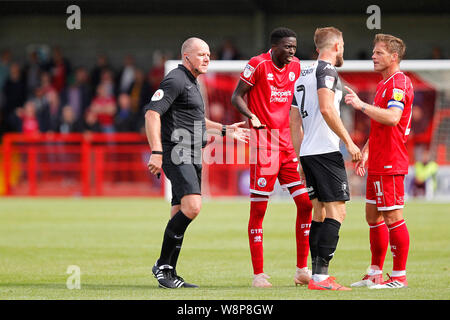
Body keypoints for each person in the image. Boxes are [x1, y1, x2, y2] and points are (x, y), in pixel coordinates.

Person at [145, 37, 249, 289]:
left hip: (192, 154)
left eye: (209, 54)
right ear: (186, 57)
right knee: (193, 207)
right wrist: (157, 151)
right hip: (176, 152)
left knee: (179, 212)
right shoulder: (176, 79)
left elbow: (196, 120)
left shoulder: (191, 83)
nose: (207, 58)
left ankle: (168, 272)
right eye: (201, 54)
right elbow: (151, 113)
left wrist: (225, 130)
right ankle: (162, 266)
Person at [231, 27, 313, 288]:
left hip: (287, 146)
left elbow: (296, 103)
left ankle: (302, 269)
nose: (292, 51)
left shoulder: (297, 66)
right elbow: (236, 96)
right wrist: (250, 115)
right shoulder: (257, 64)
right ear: (275, 46)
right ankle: (258, 275)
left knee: (306, 204)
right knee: (259, 209)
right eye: (288, 47)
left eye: (294, 47)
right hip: (264, 146)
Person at [291, 27, 361, 291]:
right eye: (342, 45)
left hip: (309, 152)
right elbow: (326, 108)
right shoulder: (327, 70)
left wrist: (300, 159)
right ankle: (321, 278)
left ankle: (317, 276)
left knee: (319, 213)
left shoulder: (302, 73)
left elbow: (294, 120)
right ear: (336, 46)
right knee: (338, 212)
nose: (343, 50)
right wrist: (349, 141)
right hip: (325, 150)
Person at [345, 33, 414, 289]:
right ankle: (375, 271)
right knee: (373, 216)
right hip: (377, 159)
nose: (372, 56)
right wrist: (365, 150)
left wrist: (361, 105)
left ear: (394, 57)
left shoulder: (399, 83)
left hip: (391, 160)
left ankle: (398, 276)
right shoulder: (383, 84)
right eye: (373, 52)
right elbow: (379, 127)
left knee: (393, 216)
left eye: (379, 53)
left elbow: (393, 118)